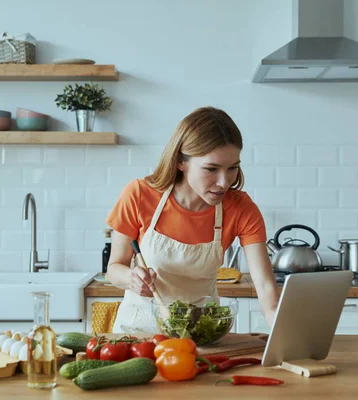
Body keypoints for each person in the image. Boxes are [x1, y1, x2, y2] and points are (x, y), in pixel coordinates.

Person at [105, 106, 279, 333]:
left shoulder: (240, 208)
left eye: (232, 168)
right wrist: (131, 278)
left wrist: (285, 341)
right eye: (211, 169)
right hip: (139, 335)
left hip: (202, 334)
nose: (223, 182)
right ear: (181, 162)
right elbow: (114, 268)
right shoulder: (139, 194)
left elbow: (266, 288)